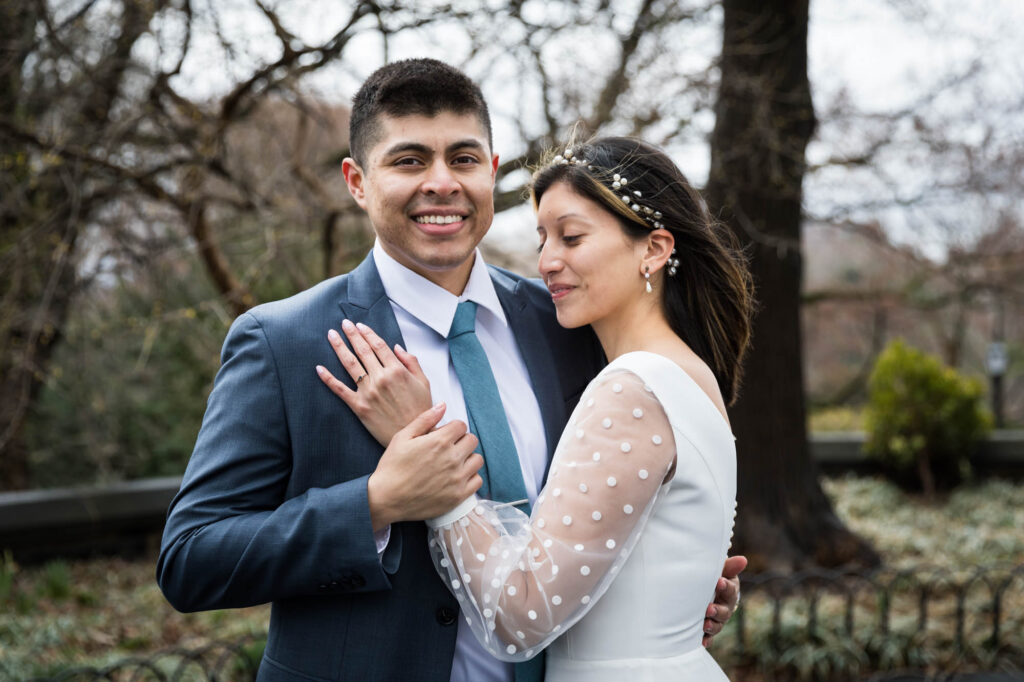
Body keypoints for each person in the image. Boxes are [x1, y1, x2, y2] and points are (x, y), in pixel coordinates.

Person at [157, 58, 742, 682]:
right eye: (409, 161)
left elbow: (604, 513)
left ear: (491, 173)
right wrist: (375, 504)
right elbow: (192, 559)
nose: (442, 183)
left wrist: (668, 597)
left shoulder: (568, 324)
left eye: (463, 159)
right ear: (357, 181)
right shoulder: (285, 342)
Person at [320, 135, 753, 679]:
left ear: (654, 248)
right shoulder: (689, 373)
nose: (547, 261)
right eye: (543, 238)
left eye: (571, 237)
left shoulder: (632, 389)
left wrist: (437, 475)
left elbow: (521, 616)